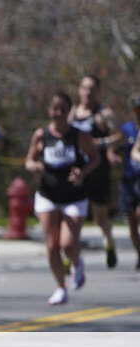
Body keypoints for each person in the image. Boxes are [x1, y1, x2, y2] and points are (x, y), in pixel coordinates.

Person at [25, 92, 99, 305]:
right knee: (51, 246)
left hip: (74, 196)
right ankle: (60, 287)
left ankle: (77, 262)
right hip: (48, 194)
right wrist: (35, 166)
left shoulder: (79, 135)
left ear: (69, 112)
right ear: (49, 111)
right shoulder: (41, 135)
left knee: (67, 243)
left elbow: (95, 158)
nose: (57, 113)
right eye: (54, 109)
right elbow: (29, 160)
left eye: (62, 109)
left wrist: (82, 172)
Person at [70, 74, 120, 268]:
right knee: (74, 215)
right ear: (79, 89)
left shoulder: (103, 114)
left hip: (98, 169)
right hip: (78, 170)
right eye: (84, 88)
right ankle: (70, 255)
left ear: (98, 91)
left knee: (100, 216)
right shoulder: (73, 112)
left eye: (91, 89)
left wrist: (102, 144)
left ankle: (109, 241)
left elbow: (119, 136)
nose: (87, 92)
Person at [114, 95, 140, 270]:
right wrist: (111, 154)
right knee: (131, 224)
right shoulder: (127, 129)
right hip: (128, 181)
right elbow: (113, 143)